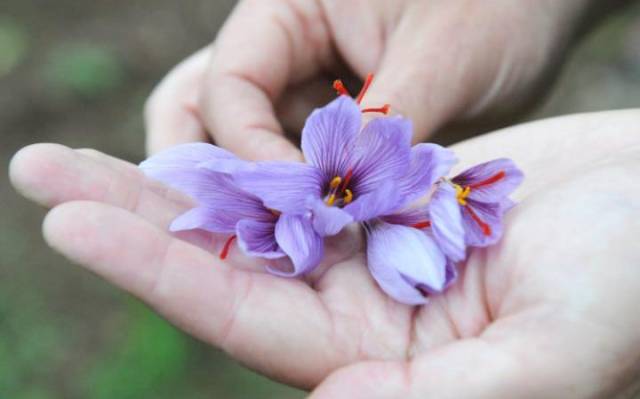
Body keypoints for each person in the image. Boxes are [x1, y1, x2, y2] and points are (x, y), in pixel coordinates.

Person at [8, 1, 640, 397]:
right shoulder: (316, 188)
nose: (336, 195)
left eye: (342, 193)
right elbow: (312, 199)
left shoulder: (370, 170)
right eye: (332, 191)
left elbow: (371, 163)